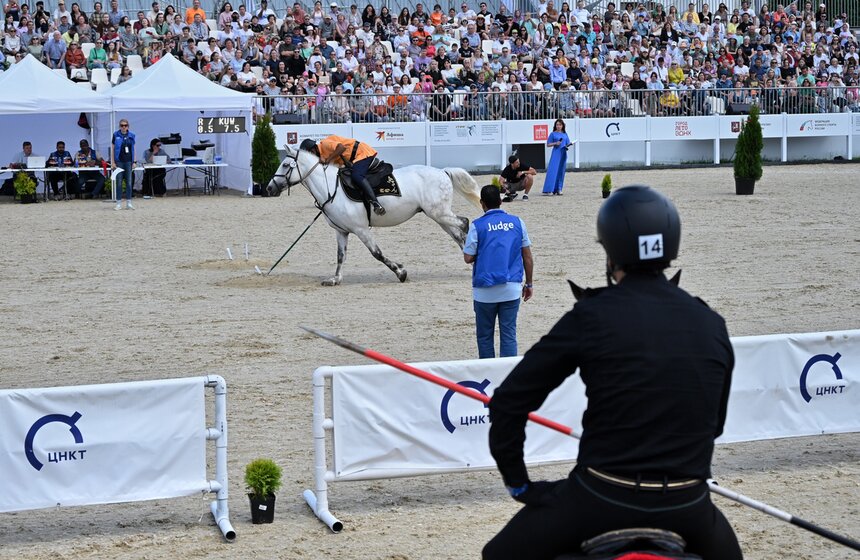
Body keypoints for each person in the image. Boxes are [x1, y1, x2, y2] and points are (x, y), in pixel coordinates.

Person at [483, 185, 742, 560]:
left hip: (600, 496)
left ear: (611, 251)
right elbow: (715, 424)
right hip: (688, 503)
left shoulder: (590, 316)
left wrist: (520, 486)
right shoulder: (711, 323)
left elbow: (509, 403)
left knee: (498, 555)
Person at [463, 184, 533, 359]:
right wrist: (529, 283)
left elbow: (468, 258)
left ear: (482, 203)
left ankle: (487, 375)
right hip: (511, 287)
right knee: (509, 334)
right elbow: (528, 257)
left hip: (484, 290)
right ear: (501, 201)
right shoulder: (518, 222)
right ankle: (506, 375)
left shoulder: (477, 225)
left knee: (485, 336)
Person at [299, 135, 386, 215]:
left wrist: (328, 160)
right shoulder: (322, 156)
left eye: (310, 154)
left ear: (313, 149)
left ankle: (375, 203)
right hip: (353, 159)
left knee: (357, 175)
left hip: (361, 153)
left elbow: (341, 148)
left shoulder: (324, 144)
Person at [542, 119, 571, 195]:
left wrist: (569, 144)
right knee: (553, 171)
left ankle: (559, 189)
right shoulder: (553, 134)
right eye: (557, 125)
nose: (558, 126)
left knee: (561, 171)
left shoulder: (565, 134)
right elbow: (548, 144)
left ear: (562, 126)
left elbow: (567, 143)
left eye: (560, 125)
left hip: (563, 153)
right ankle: (549, 189)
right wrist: (555, 143)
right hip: (556, 153)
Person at [112, 118, 136, 210]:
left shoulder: (132, 135)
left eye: (125, 125)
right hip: (119, 162)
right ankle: (118, 203)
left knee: (129, 182)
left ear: (128, 126)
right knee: (119, 182)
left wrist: (134, 161)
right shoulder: (115, 135)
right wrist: (113, 162)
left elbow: (133, 149)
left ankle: (129, 202)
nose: (123, 127)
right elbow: (113, 148)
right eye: (122, 125)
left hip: (128, 161)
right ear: (119, 126)